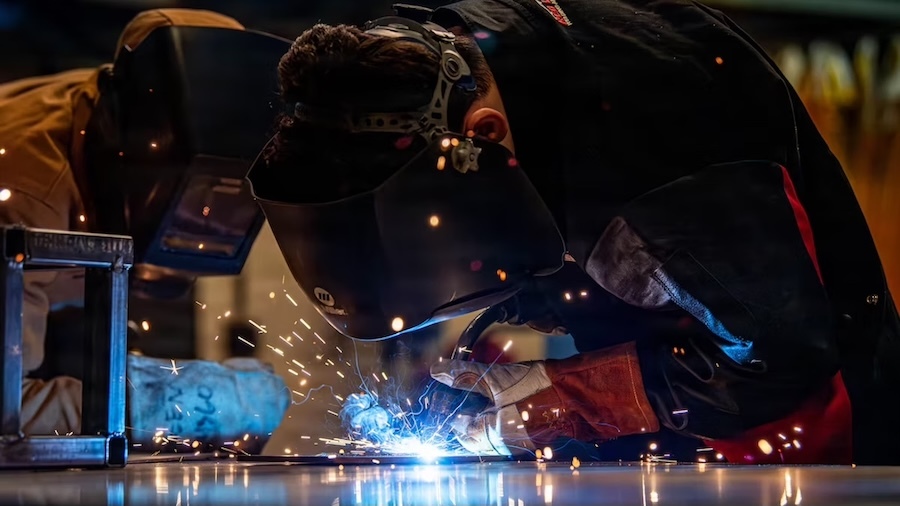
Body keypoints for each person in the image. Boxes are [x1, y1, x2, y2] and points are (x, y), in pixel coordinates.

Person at [248, 1, 900, 465]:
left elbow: (783, 354)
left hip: (814, 445)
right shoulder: (446, 53)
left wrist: (569, 398)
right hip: (675, 439)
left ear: (483, 136)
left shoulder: (654, 159)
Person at [0, 9, 291, 450]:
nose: (204, 221)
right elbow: (6, 414)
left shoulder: (114, 106)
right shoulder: (24, 200)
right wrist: (162, 403)